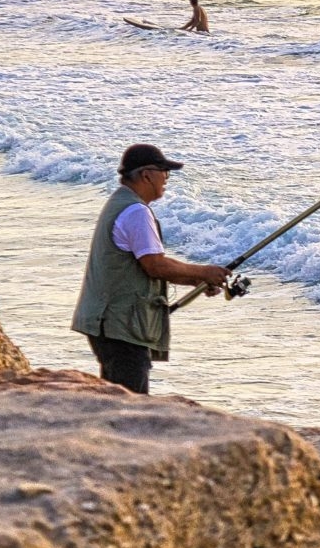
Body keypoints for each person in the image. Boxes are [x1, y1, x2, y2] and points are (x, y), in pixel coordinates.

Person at [70, 144, 230, 394]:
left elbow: (146, 265)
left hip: (106, 323)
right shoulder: (136, 212)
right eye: (164, 171)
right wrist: (203, 273)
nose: (167, 178)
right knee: (131, 405)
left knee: (115, 398)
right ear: (146, 175)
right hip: (120, 326)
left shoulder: (120, 202)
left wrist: (196, 281)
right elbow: (155, 265)